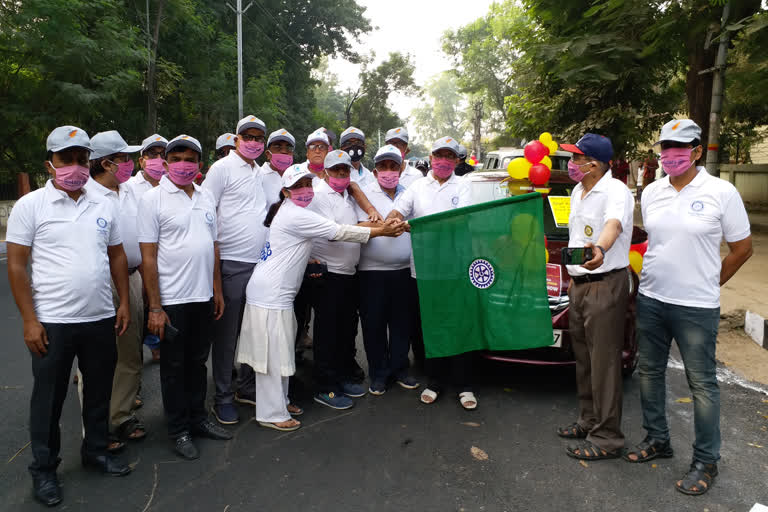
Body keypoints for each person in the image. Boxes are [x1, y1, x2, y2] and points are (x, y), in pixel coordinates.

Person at [624, 119, 753, 496]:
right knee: (649, 373)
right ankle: (657, 440)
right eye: (665, 147)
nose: (671, 154)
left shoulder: (721, 192)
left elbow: (742, 249)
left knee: (702, 385)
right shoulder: (651, 192)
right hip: (651, 299)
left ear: (697, 151)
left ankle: (706, 460)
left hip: (696, 306)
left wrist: (710, 282)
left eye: (680, 147)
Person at [7, 126, 132, 507]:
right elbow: (15, 265)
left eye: (82, 159)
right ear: (50, 164)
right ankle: (44, 470)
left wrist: (123, 302)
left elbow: (117, 256)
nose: (75, 166)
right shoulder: (30, 206)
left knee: (98, 391)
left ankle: (95, 451)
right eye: (67, 159)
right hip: (53, 322)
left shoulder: (103, 204)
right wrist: (30, 320)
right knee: (49, 399)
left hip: (99, 317)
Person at [236, 165, 406, 429]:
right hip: (270, 292)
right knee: (272, 354)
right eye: (297, 186)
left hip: (278, 292)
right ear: (285, 192)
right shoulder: (294, 215)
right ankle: (272, 413)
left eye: (307, 184)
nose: (304, 190)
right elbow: (339, 231)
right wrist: (383, 230)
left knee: (279, 352)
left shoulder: (297, 211)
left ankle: (279, 401)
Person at [138, 134, 232, 460]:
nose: (182, 163)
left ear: (199, 165)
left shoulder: (206, 197)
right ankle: (178, 430)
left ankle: (198, 418)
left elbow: (214, 246)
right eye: (176, 157)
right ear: (165, 163)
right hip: (172, 300)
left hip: (203, 296)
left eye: (189, 158)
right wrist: (155, 306)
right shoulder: (153, 200)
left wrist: (217, 290)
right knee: (174, 368)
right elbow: (148, 256)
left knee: (197, 362)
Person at [555, 133, 633, 461]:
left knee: (604, 363)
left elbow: (612, 225)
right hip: (581, 284)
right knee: (584, 358)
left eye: (576, 159)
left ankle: (607, 437)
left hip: (605, 283)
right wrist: (574, 277)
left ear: (595, 164)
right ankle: (588, 420)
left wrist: (600, 248)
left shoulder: (616, 191)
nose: (571, 164)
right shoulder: (578, 190)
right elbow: (577, 237)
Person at [386, 136, 475, 410]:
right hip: (423, 270)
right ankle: (435, 381)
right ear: (431, 157)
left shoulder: (466, 186)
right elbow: (398, 212)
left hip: (455, 269)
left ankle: (464, 385)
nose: (443, 161)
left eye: (450, 156)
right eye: (439, 155)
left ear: (457, 161)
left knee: (458, 326)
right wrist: (393, 219)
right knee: (431, 327)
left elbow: (463, 221)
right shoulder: (416, 187)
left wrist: (422, 225)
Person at [202, 115, 269, 425]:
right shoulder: (222, 169)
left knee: (253, 331)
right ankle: (223, 397)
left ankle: (246, 386)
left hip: (260, 264)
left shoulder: (258, 172)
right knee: (227, 336)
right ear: (237, 138)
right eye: (248, 136)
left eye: (259, 137)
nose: (254, 142)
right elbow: (207, 214)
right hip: (231, 263)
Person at [85, 131, 149, 450]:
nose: (128, 164)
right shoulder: (85, 195)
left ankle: (120, 416)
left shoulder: (128, 191)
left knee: (130, 351)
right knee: (97, 357)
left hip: (132, 277)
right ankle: (95, 428)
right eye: (124, 159)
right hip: (101, 281)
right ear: (106, 163)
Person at [356, 145, 420, 395]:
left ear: (401, 169)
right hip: (372, 272)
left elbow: (420, 220)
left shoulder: (410, 193)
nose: (389, 172)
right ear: (375, 171)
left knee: (402, 324)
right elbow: (356, 224)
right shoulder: (365, 194)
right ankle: (379, 374)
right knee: (373, 325)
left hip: (405, 270)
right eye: (383, 167)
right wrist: (383, 227)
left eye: (394, 167)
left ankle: (400, 369)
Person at [130, 135, 168, 364]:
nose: (158, 159)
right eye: (152, 154)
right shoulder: (129, 187)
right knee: (135, 316)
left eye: (162, 154)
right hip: (137, 262)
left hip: (163, 261)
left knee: (157, 309)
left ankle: (156, 347)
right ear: (141, 160)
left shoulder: (172, 185)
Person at [261, 128, 295, 204]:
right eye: (277, 147)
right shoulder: (258, 176)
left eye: (288, 148)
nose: (284, 151)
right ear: (268, 154)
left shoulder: (297, 177)